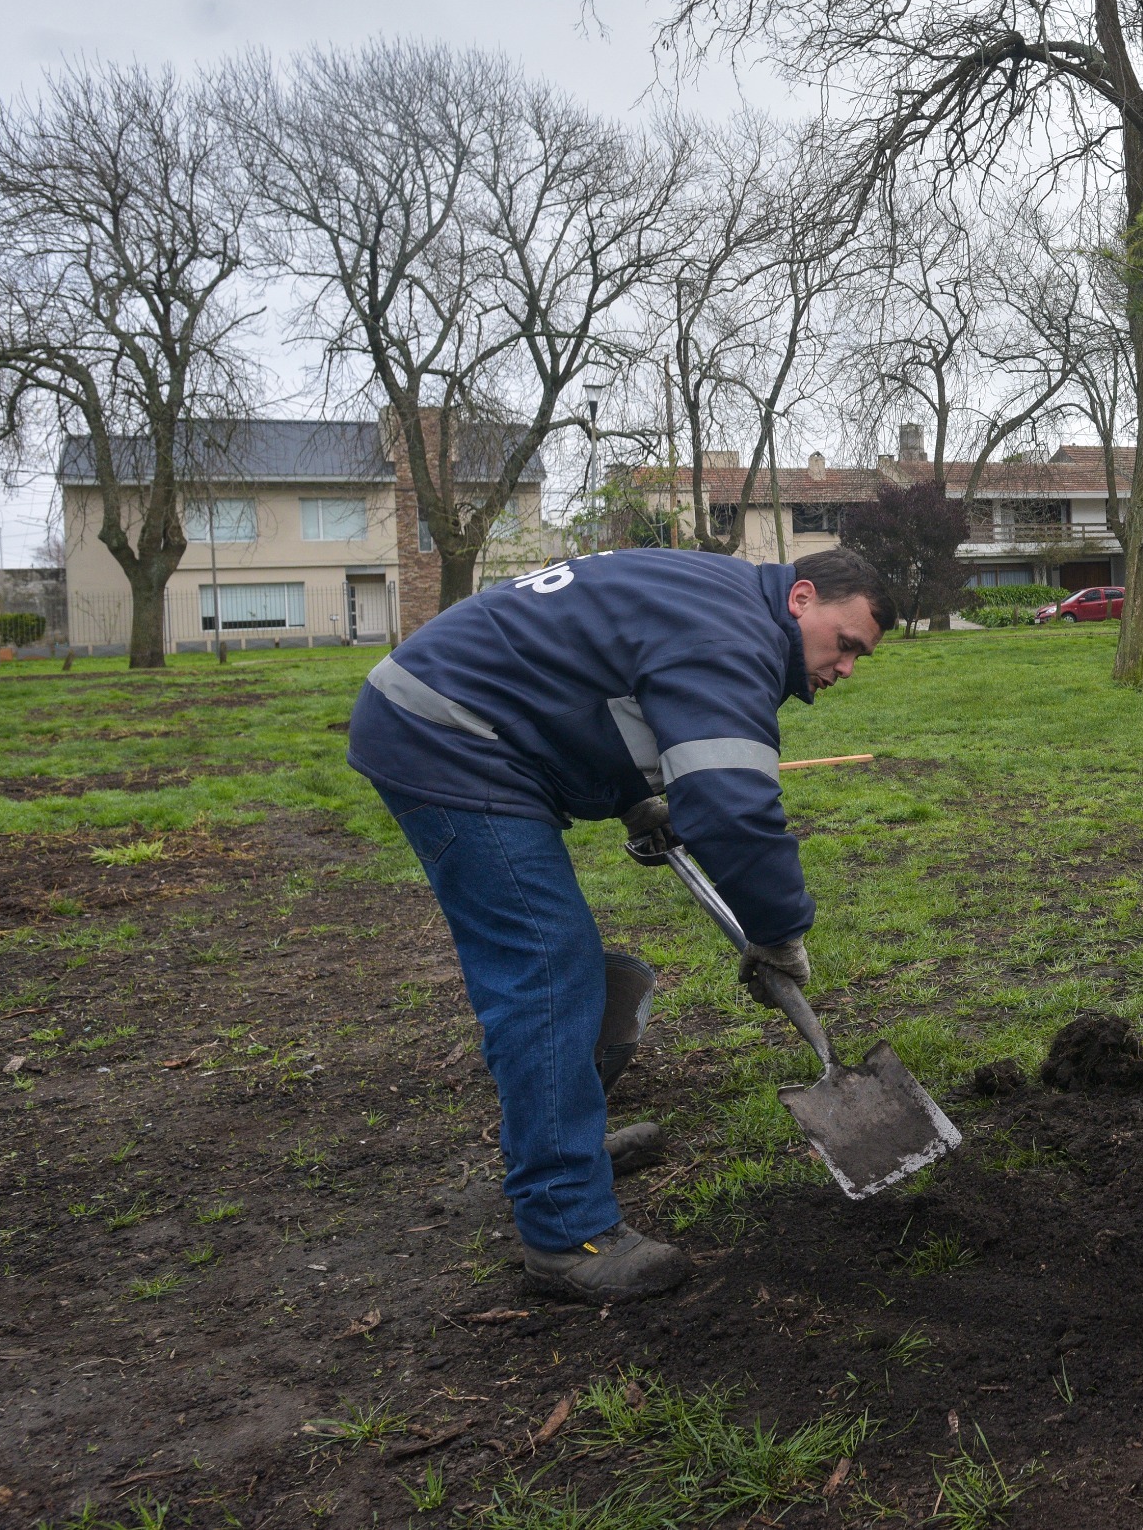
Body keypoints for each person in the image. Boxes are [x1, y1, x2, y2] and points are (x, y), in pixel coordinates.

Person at [346, 545, 895, 1302]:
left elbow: (602, 679)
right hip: (446, 735)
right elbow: (735, 809)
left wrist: (642, 794)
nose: (845, 670)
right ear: (802, 597)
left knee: (559, 960)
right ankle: (566, 1231)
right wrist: (777, 932)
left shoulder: (721, 601)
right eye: (847, 645)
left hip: (474, 721)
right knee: (546, 965)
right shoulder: (732, 636)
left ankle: (565, 1139)